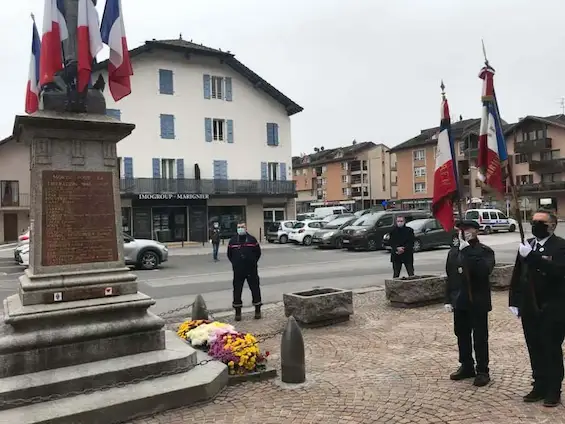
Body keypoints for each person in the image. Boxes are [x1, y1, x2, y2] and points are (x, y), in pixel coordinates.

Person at [509, 209, 565, 407]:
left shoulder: (560, 247)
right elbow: (518, 275)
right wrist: (514, 301)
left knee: (551, 349)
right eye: (533, 222)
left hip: (553, 307)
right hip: (529, 307)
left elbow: (558, 272)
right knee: (534, 347)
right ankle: (539, 384)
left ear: (551, 226)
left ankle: (553, 389)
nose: (535, 226)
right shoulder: (527, 245)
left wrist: (533, 257)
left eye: (540, 223)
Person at [444, 220, 495, 387]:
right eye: (461, 229)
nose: (464, 232)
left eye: (468, 229)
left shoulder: (485, 252)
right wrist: (448, 299)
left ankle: (482, 370)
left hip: (477, 301)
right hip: (460, 300)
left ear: (477, 231)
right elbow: (450, 277)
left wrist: (468, 252)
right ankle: (466, 365)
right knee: (461, 334)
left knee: (480, 337)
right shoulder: (453, 252)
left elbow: (483, 271)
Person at [227, 222, 262, 321]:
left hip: (251, 269)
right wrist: (235, 263)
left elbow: (258, 253)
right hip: (238, 270)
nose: (240, 229)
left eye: (242, 227)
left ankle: (257, 310)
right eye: (239, 227)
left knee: (255, 289)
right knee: (237, 290)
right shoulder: (233, 241)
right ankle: (238, 312)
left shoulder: (252, 239)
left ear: (246, 228)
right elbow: (229, 254)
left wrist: (252, 262)